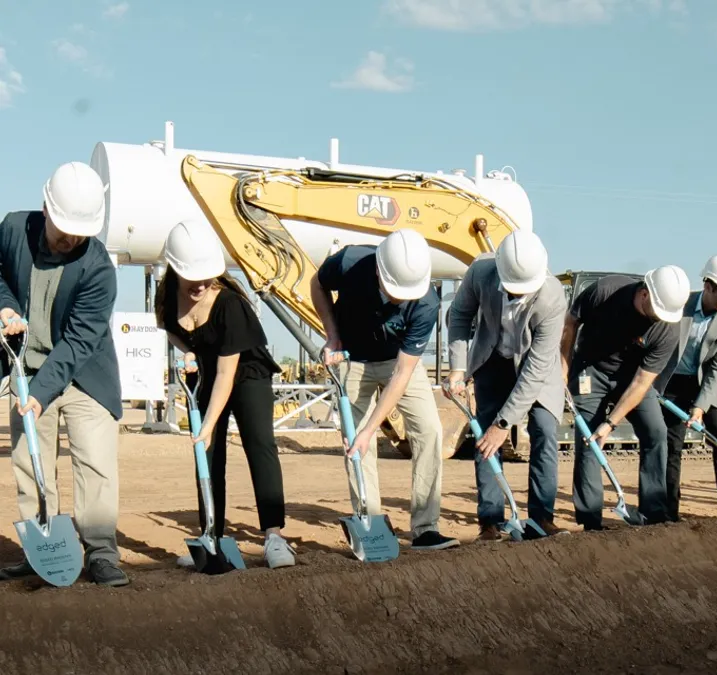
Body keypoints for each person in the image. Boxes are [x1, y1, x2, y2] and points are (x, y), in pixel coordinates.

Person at [0, 162, 128, 586]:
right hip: (25, 368)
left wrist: (40, 393)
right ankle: (43, 546)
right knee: (28, 461)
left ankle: (102, 553)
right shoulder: (15, 228)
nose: (71, 238)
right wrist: (4, 306)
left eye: (80, 231)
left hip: (83, 375)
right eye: (63, 229)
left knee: (94, 462)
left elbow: (77, 343)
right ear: (45, 209)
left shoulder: (98, 269)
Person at [155, 222, 294, 569]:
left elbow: (227, 374)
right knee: (208, 452)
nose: (200, 284)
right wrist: (188, 351)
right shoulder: (167, 298)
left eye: (207, 276)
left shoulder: (230, 305)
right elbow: (171, 329)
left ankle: (274, 535)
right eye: (192, 277)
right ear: (174, 269)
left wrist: (209, 423)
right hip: (207, 372)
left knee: (259, 444)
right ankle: (210, 536)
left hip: (246, 372)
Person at [311, 228, 459, 550]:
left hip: (399, 363)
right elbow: (317, 285)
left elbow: (403, 372)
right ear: (379, 270)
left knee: (430, 430)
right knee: (357, 443)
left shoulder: (426, 303)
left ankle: (425, 528)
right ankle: (371, 522)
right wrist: (332, 333)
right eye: (395, 291)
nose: (401, 299)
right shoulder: (350, 262)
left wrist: (371, 429)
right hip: (353, 360)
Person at [446, 230, 568, 540]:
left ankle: (542, 518)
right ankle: (490, 522)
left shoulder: (552, 296)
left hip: (535, 366)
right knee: (485, 435)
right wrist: (458, 368)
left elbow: (537, 367)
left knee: (544, 428)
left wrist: (505, 423)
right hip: (493, 357)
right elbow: (459, 314)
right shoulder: (481, 272)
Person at [560, 265, 689, 530]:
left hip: (631, 378)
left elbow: (643, 382)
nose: (660, 318)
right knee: (590, 439)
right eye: (657, 311)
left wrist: (611, 422)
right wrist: (564, 369)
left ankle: (654, 512)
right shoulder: (606, 291)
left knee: (656, 433)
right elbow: (571, 322)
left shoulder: (668, 328)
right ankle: (590, 519)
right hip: (591, 368)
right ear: (644, 294)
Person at [654, 253, 717, 519]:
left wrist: (700, 407)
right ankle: (668, 511)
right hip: (673, 381)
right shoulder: (679, 305)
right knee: (671, 446)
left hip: (709, 385)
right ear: (708, 286)